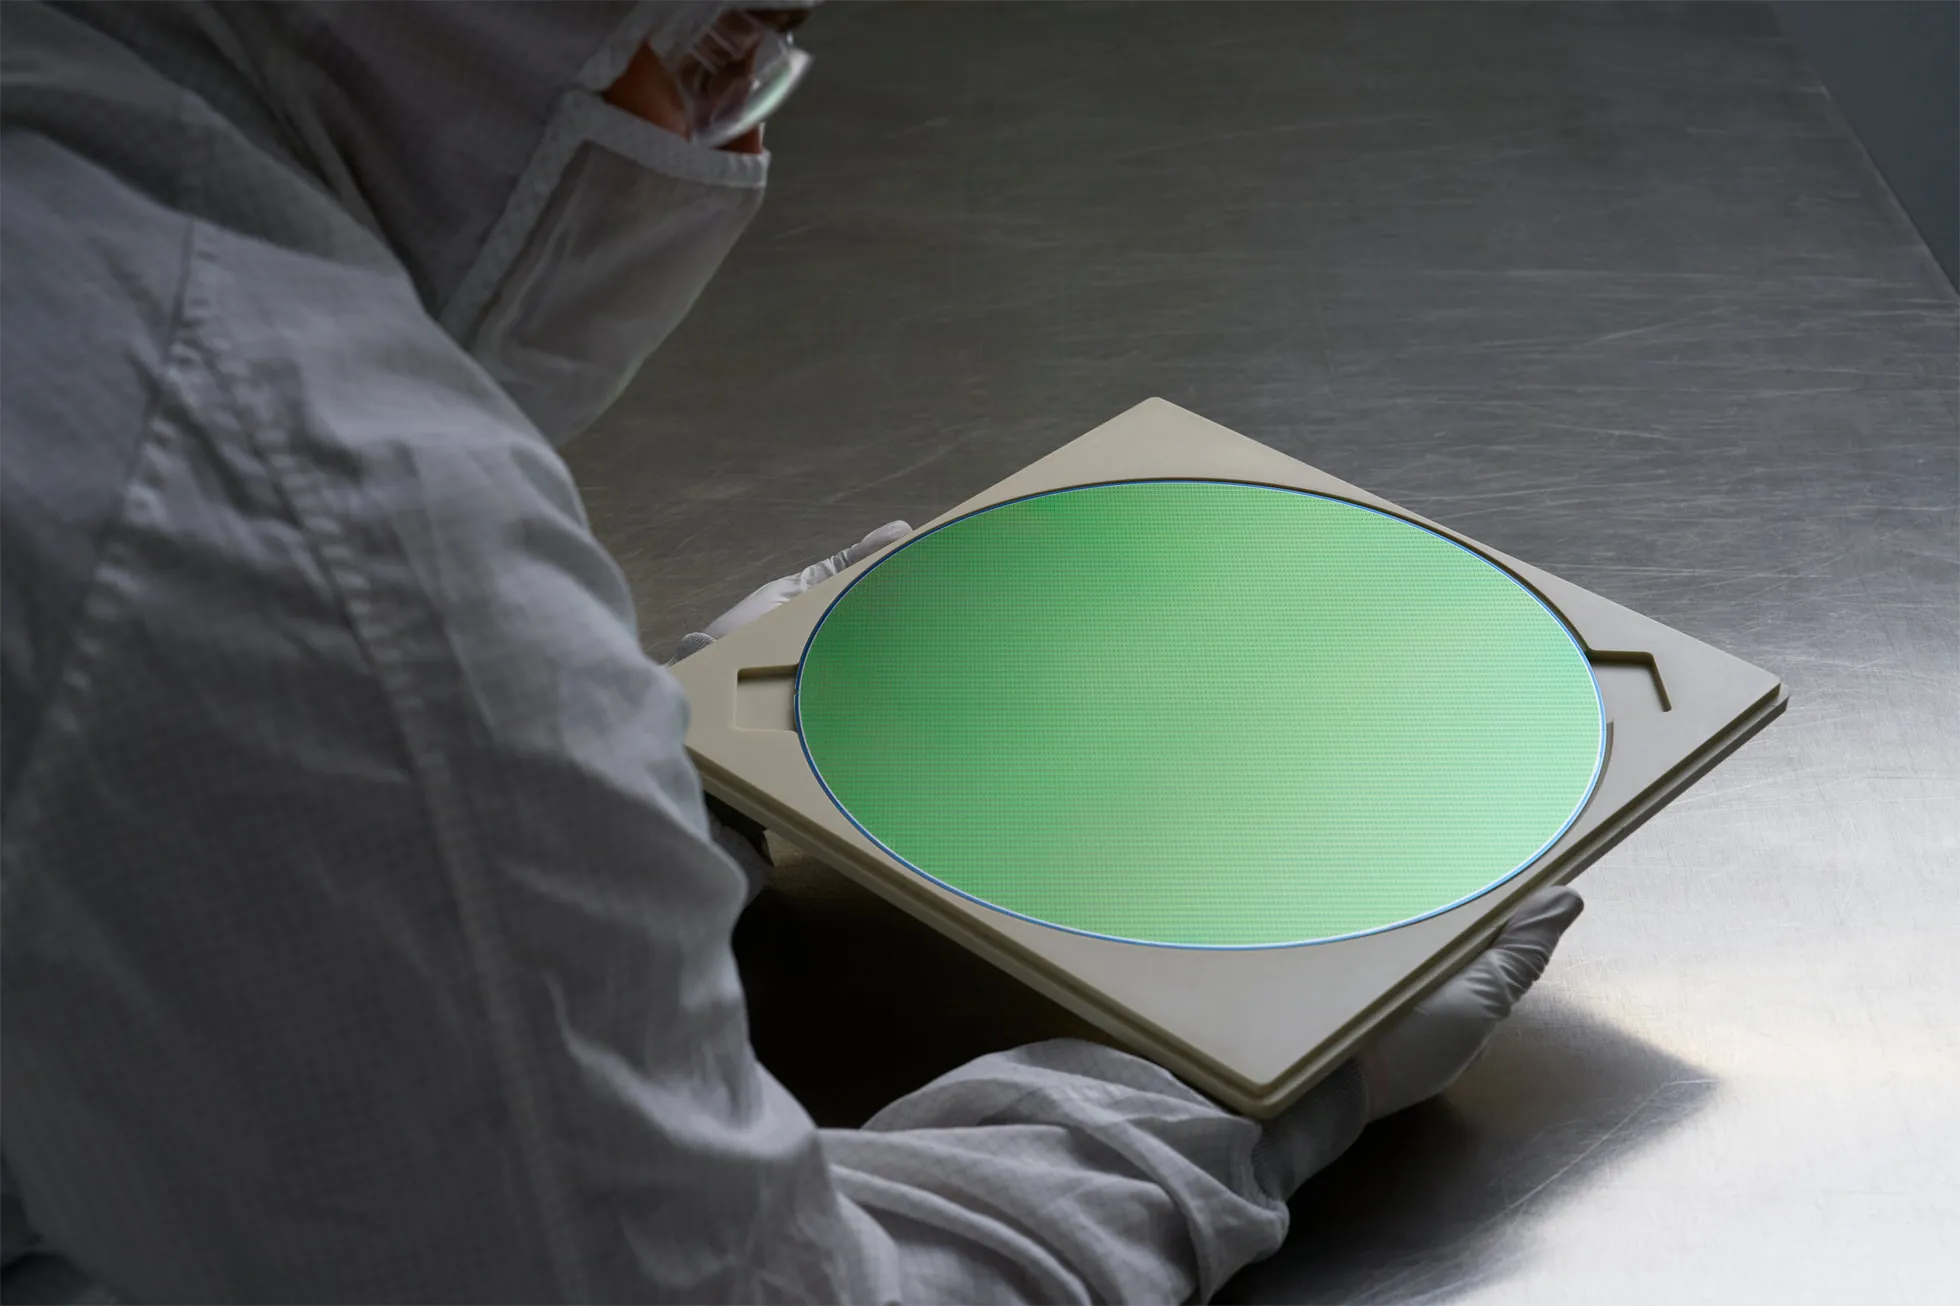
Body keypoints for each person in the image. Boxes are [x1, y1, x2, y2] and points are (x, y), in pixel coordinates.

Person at [0, 3, 1586, 1301]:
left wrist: (646, 789)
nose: (732, 143)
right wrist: (1216, 1095)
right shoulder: (316, 516)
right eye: (715, 51)